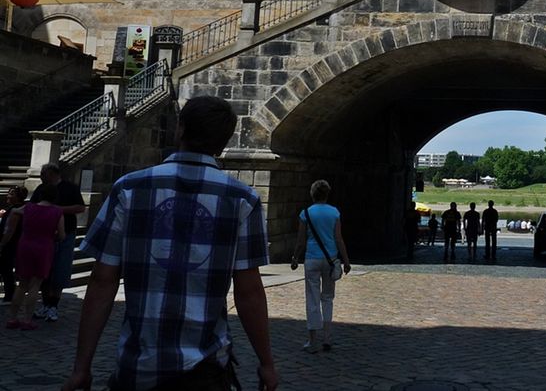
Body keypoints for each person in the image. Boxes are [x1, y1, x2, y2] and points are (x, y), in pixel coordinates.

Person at [62, 96, 278, 391]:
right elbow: (248, 291)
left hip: (138, 366)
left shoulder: (128, 188)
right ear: (224, 143)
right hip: (205, 368)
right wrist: (266, 362)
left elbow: (102, 281)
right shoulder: (243, 199)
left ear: (180, 128)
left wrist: (81, 367)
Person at [291, 179, 352, 354]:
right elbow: (339, 239)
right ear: (327, 194)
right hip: (330, 259)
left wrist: (295, 257)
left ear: (312, 194)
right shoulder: (334, 213)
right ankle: (327, 338)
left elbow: (301, 240)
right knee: (327, 298)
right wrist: (346, 260)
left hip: (311, 259)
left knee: (312, 299)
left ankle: (312, 340)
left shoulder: (306, 213)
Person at [2, 183, 64, 330]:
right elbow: (62, 235)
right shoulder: (57, 211)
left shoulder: (28, 207)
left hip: (25, 245)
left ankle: (12, 318)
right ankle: (27, 320)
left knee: (22, 284)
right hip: (44, 247)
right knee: (35, 284)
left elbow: (15, 211)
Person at [30, 162, 85, 323]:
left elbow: (80, 207)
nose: (41, 176)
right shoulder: (41, 189)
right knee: (44, 271)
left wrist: (57, 210)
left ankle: (53, 305)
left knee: (60, 269)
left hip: (66, 233)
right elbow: (32, 206)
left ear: (53, 174)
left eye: (43, 174)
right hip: (44, 235)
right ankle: (45, 304)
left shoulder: (70, 187)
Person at [0, 185, 28, 304]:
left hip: (10, 244)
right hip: (13, 244)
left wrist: (2, 244)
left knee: (7, 270)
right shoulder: (15, 209)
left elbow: (10, 230)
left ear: (18, 197)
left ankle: (9, 296)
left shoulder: (15, 211)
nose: (8, 195)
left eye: (11, 194)